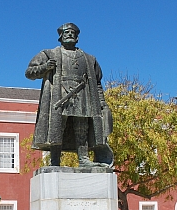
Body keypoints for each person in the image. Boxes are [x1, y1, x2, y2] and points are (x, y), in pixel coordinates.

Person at [25, 23, 113, 167]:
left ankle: (83, 159)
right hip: (59, 96)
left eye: (73, 32)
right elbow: (29, 72)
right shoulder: (49, 54)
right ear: (60, 36)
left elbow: (97, 83)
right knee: (57, 129)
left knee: (82, 128)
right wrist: (45, 67)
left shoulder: (89, 59)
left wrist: (102, 103)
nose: (70, 34)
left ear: (77, 37)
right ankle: (55, 161)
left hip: (83, 96)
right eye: (67, 32)